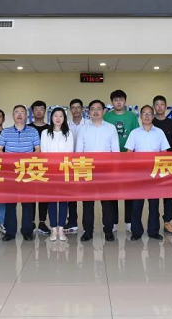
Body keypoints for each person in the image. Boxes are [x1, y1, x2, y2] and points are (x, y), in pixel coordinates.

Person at [76, 99, 120, 242]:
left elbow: (116, 151)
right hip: (87, 169)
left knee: (107, 203)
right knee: (87, 203)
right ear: (89, 112)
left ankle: (108, 230)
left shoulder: (111, 128)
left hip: (106, 170)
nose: (95, 111)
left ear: (103, 111)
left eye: (98, 108)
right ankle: (87, 231)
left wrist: (115, 171)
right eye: (93, 109)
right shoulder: (83, 129)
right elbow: (78, 151)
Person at [0, 105, 41, 241]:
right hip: (10, 172)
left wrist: (28, 161)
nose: (19, 115)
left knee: (27, 204)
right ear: (13, 116)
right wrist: (8, 160)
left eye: (22, 112)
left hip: (28, 172)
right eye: (16, 112)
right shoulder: (6, 132)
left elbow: (37, 149)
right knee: (10, 203)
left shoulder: (33, 131)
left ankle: (27, 231)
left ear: (26, 115)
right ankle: (10, 232)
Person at [126, 105, 169, 241]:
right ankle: (136, 232)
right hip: (138, 174)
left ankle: (153, 231)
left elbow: (164, 153)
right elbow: (129, 153)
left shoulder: (159, 132)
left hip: (155, 174)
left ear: (153, 116)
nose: (147, 116)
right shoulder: (134, 133)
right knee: (136, 205)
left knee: (154, 205)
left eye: (149, 113)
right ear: (140, 116)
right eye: (144, 113)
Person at [103, 89, 139, 233]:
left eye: (121, 100)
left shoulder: (132, 116)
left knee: (129, 191)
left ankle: (129, 221)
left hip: (129, 159)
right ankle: (113, 222)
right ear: (112, 102)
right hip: (111, 160)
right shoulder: (106, 116)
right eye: (115, 100)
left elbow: (136, 134)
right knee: (112, 192)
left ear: (125, 101)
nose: (118, 102)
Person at [39, 107, 74, 241]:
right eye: (55, 116)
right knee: (52, 200)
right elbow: (44, 153)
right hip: (50, 171)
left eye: (61, 116)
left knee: (64, 201)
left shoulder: (68, 133)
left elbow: (69, 152)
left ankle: (61, 229)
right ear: (51, 118)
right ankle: (53, 228)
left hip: (65, 170)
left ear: (64, 119)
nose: (58, 118)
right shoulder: (45, 133)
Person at [151, 95, 172, 235]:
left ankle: (167, 221)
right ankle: (154, 223)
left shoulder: (171, 123)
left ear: (166, 106)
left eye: (162, 104)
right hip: (153, 163)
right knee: (154, 194)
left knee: (168, 194)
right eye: (157, 104)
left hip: (168, 162)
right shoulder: (150, 121)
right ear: (154, 107)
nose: (160, 107)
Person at [28, 100, 52, 236]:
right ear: (32, 112)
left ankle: (42, 222)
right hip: (30, 166)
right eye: (36, 109)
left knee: (44, 196)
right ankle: (31, 222)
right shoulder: (27, 128)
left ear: (45, 111)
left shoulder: (50, 128)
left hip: (46, 166)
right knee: (31, 196)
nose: (38, 112)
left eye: (41, 109)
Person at [65, 99, 88, 233]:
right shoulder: (65, 125)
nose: (76, 110)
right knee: (71, 194)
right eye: (73, 107)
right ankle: (72, 221)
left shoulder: (89, 124)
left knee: (85, 194)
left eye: (78, 107)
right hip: (69, 163)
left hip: (84, 163)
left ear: (82, 109)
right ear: (70, 110)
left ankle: (87, 223)